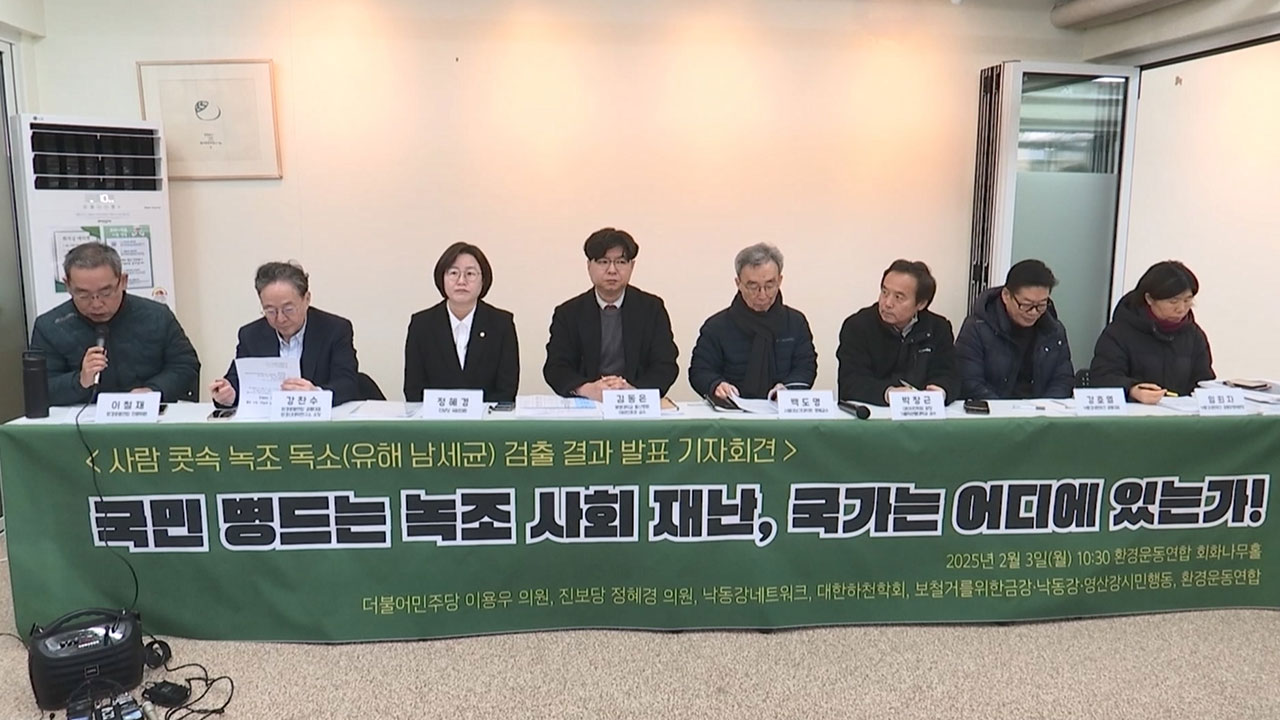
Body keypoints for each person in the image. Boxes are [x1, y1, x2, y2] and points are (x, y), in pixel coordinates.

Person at [29, 242, 199, 405]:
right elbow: (39, 389)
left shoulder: (157, 316)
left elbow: (186, 365)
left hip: (149, 415)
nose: (96, 304)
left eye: (106, 292)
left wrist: (153, 391)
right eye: (83, 295)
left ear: (123, 281)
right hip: (82, 419)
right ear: (68, 285)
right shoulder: (50, 327)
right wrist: (80, 380)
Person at [543, 228, 678, 400]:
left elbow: (665, 364)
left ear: (632, 266)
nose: (612, 270)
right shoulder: (568, 313)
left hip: (635, 404)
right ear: (589, 266)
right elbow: (556, 367)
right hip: (587, 404)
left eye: (620, 262)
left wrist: (634, 391)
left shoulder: (652, 309)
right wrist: (587, 389)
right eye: (603, 261)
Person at [209, 262, 361, 407]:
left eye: (288, 309)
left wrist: (316, 394)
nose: (280, 318)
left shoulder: (334, 330)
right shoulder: (251, 335)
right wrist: (228, 394)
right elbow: (236, 381)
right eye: (270, 311)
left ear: (306, 299)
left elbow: (348, 383)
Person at [689, 243, 817, 400]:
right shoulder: (716, 327)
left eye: (769, 285)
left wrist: (788, 388)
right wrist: (716, 385)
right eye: (753, 287)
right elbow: (700, 371)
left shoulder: (795, 323)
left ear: (780, 281)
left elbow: (806, 367)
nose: (762, 295)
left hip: (781, 408)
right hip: (733, 409)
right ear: (738, 284)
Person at [404, 243, 519, 402]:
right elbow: (413, 389)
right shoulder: (421, 325)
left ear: (483, 280)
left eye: (470, 274)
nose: (461, 281)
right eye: (453, 273)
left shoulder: (501, 324)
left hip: (487, 416)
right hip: (433, 417)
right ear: (442, 278)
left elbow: (507, 389)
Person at [1089, 260, 1214, 404]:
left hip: (1181, 414)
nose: (1181, 309)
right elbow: (1102, 378)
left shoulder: (1194, 335)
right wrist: (1132, 390)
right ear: (1149, 299)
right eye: (1173, 302)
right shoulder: (1119, 333)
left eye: (1187, 301)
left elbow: (1203, 381)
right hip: (1134, 413)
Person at [837, 259, 957, 406]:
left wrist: (941, 391)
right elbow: (851, 382)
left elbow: (949, 375)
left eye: (898, 297)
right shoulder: (857, 326)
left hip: (921, 413)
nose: (887, 303)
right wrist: (888, 393)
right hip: (874, 413)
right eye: (884, 292)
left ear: (921, 304)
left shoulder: (938, 328)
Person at [955, 259, 1074, 400]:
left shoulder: (1054, 330)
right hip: (994, 410)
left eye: (1041, 305)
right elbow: (969, 382)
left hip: (1042, 411)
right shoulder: (977, 328)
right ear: (1006, 296)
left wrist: (1046, 406)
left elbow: (1063, 379)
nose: (1034, 312)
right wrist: (1004, 410)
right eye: (1026, 304)